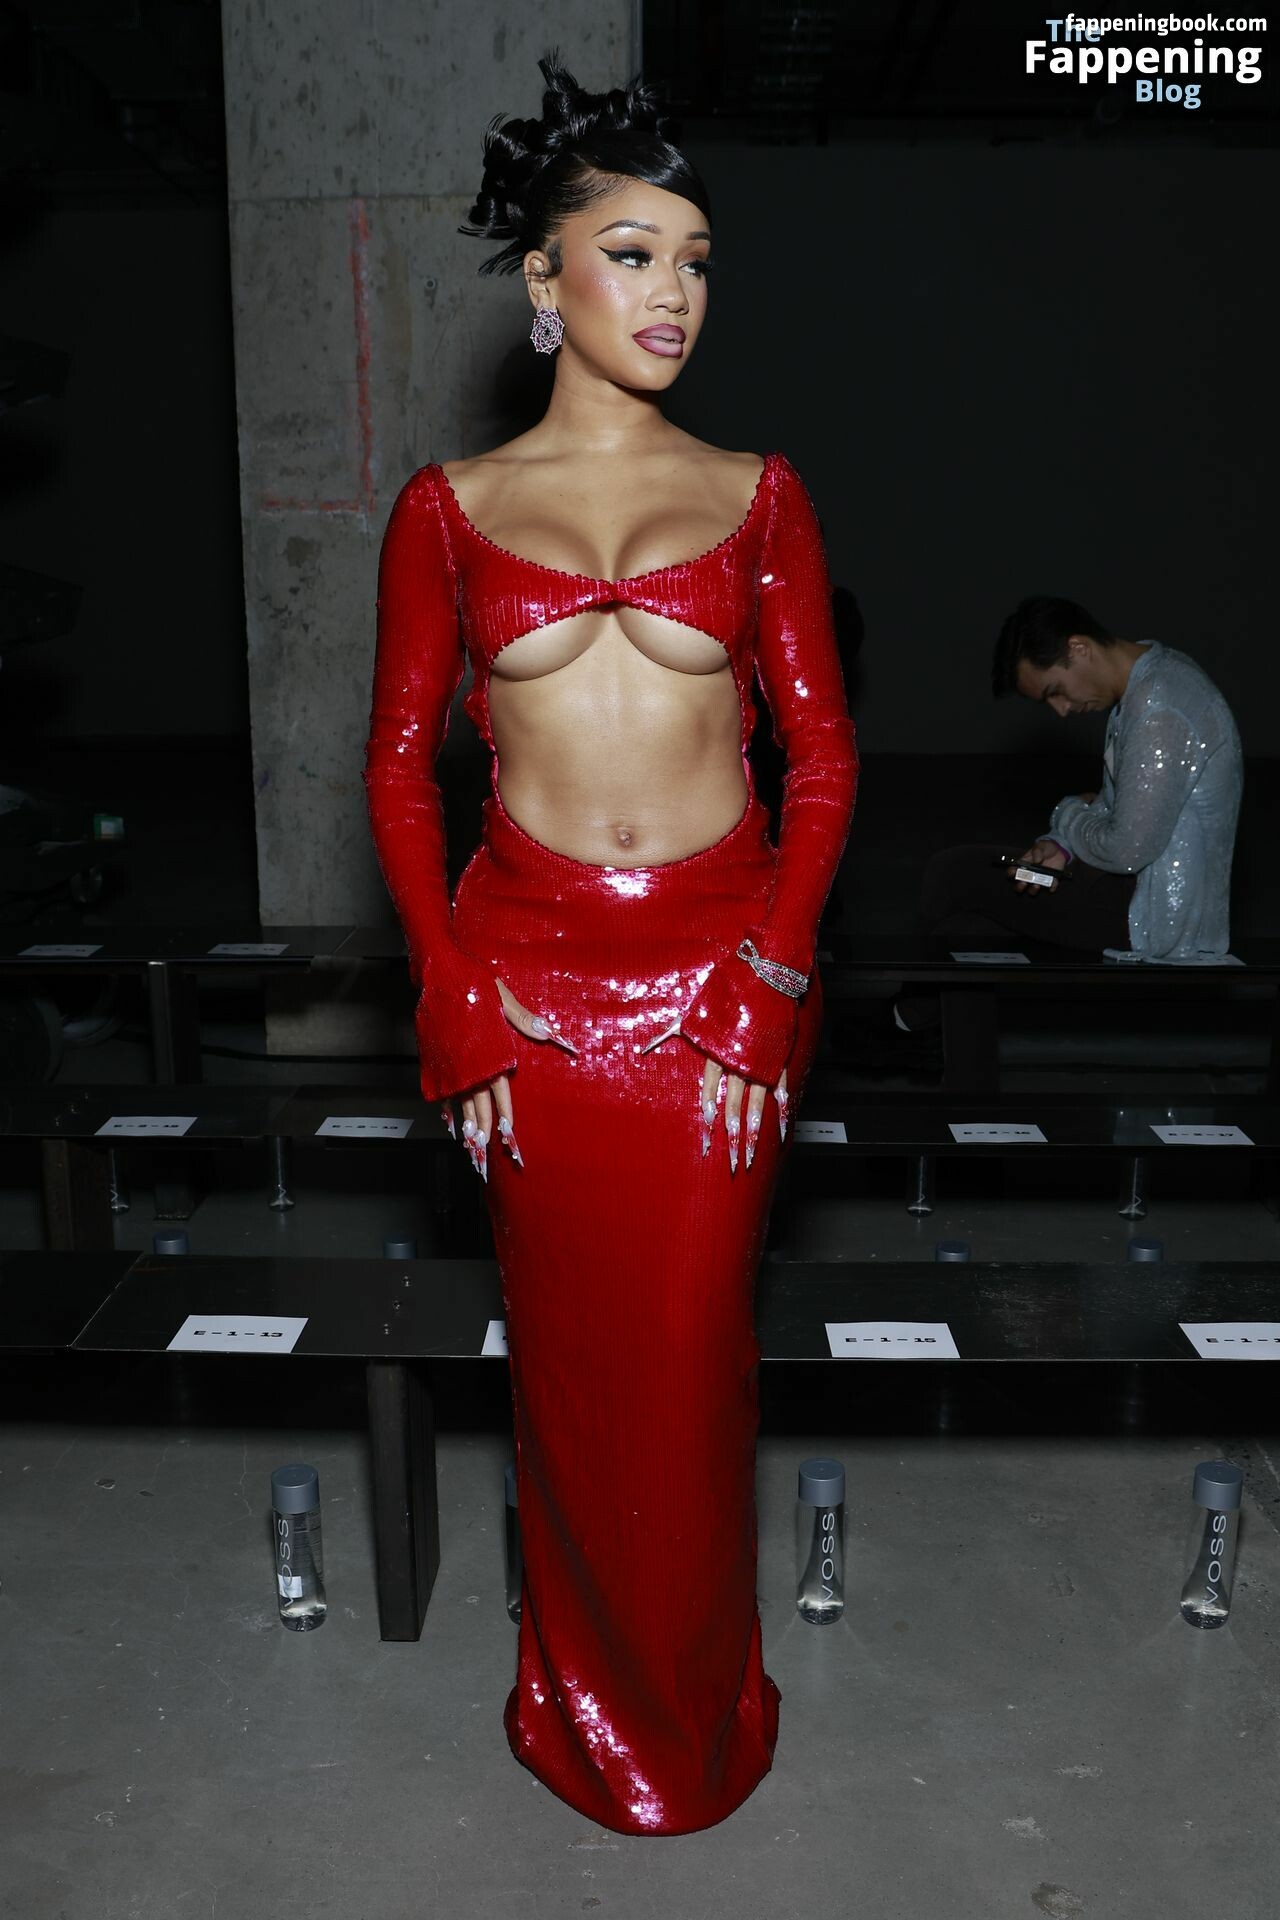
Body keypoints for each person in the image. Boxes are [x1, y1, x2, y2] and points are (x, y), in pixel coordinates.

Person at [361, 49, 858, 1835]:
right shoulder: (446, 509)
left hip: (721, 980)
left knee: (692, 1363)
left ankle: (696, 1707)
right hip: (530, 992)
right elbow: (397, 772)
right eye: (635, 254)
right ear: (544, 278)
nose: (675, 293)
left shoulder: (760, 493)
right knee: (569, 1372)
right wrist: (453, 998)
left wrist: (772, 978)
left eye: (697, 260)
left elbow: (825, 755)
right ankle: (575, 1704)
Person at [917, 595, 1243, 961]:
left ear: (1079, 648)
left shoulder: (1158, 707)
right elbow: (1120, 807)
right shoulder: (1155, 680)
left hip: (1146, 917)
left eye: (1055, 691)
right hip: (1129, 893)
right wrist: (1061, 847)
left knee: (954, 873)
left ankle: (908, 997)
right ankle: (917, 1003)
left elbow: (1126, 850)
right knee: (977, 922)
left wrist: (1067, 813)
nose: (1061, 710)